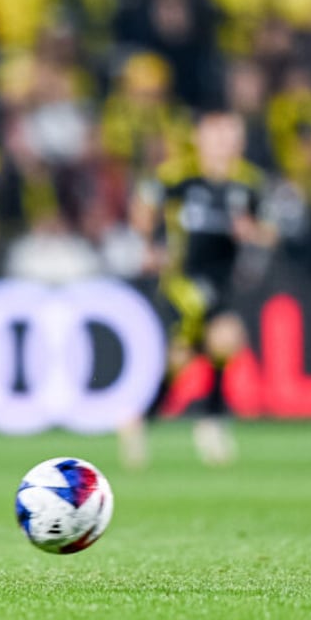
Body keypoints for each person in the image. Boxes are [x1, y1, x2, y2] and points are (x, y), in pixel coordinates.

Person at [117, 110, 274, 469]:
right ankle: (212, 422)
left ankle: (140, 420)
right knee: (226, 338)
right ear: (200, 138)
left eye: (231, 136)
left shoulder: (249, 182)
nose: (224, 144)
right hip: (183, 279)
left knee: (186, 358)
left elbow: (269, 229)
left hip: (223, 280)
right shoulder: (179, 176)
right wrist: (149, 244)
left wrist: (253, 233)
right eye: (217, 135)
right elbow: (144, 203)